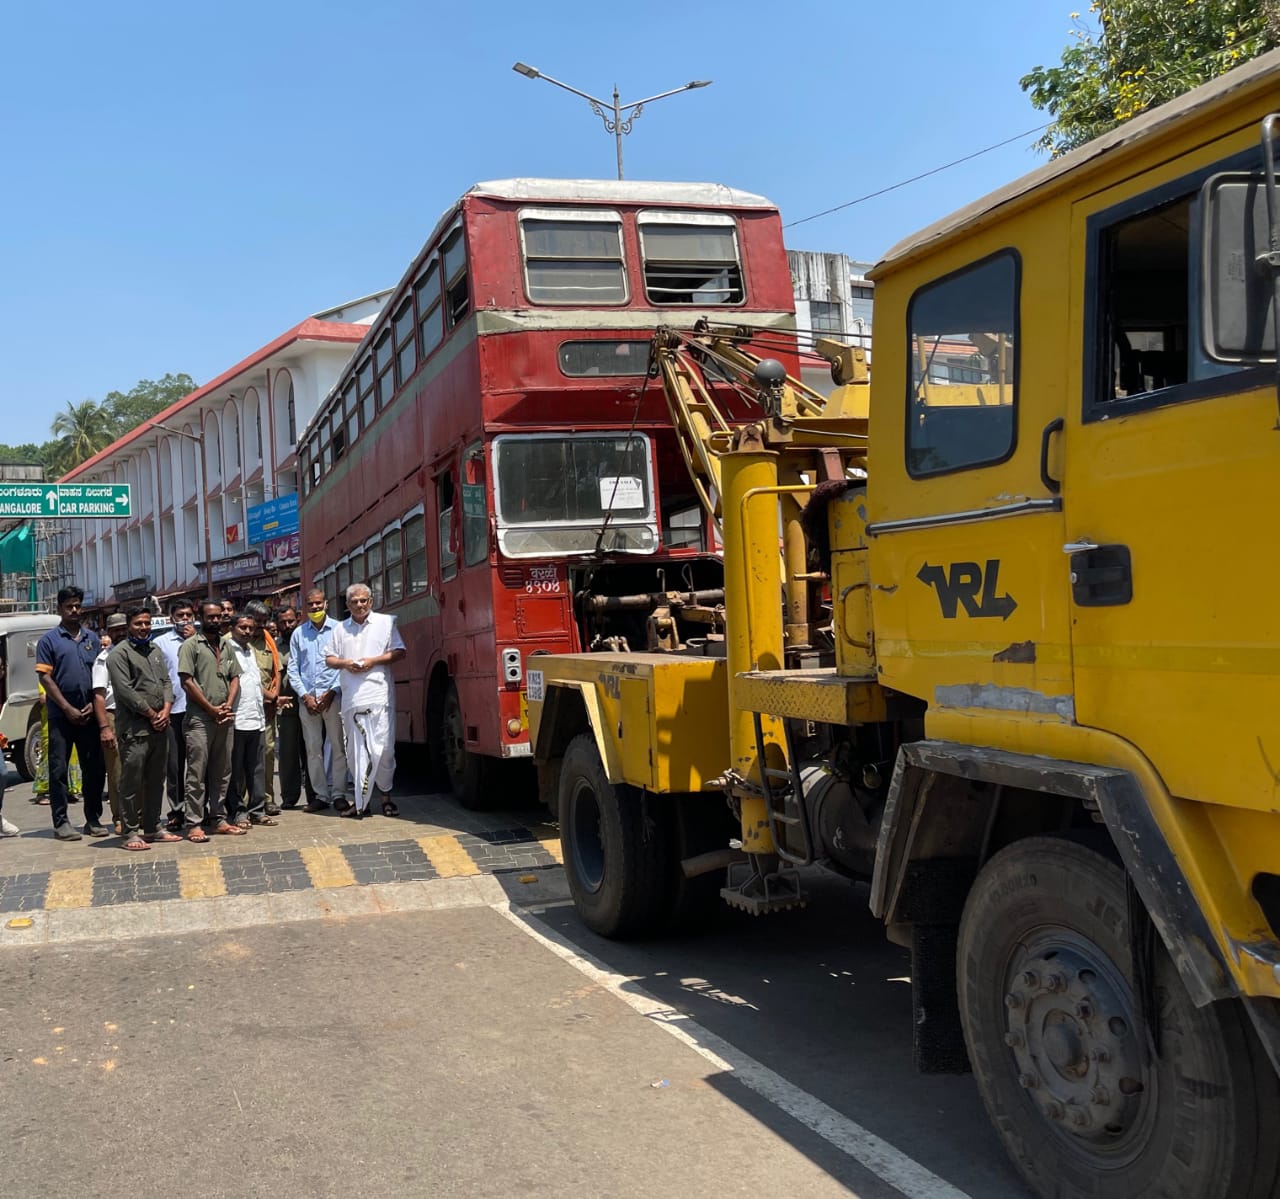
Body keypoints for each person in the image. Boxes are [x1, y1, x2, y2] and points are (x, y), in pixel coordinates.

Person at [326, 583, 406, 818]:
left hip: (379, 695)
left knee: (383, 749)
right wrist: (346, 664)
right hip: (352, 698)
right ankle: (361, 803)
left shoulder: (385, 623)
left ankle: (386, 798)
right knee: (356, 751)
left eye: (363, 600)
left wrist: (374, 661)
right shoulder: (340, 629)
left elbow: (400, 651)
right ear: (348, 605)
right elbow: (330, 658)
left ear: (370, 601)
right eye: (354, 602)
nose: (359, 605)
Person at [35, 586, 107, 841]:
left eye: (77, 605)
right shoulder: (49, 641)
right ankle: (61, 823)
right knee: (58, 770)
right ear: (60, 609)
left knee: (94, 770)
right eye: (69, 606)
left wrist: (91, 705)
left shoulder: (92, 639)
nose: (74, 610)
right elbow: (45, 677)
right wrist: (66, 708)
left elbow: (100, 675)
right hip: (60, 717)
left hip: (88, 715)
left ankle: (93, 819)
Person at [106, 607, 180, 851]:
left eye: (147, 623)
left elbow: (167, 681)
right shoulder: (119, 655)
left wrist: (166, 709)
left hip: (160, 726)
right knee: (131, 782)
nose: (144, 627)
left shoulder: (155, 650)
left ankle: (152, 827)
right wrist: (150, 713)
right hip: (135, 729)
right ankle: (129, 831)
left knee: (156, 779)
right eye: (138, 623)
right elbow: (125, 691)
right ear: (129, 625)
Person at [178, 601, 245, 841]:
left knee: (222, 770)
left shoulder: (226, 644)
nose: (216, 621)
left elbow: (235, 677)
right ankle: (194, 822)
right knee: (196, 772)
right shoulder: (191, 645)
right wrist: (210, 708)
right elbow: (187, 681)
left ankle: (218, 818)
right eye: (211, 617)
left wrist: (227, 703)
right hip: (200, 719)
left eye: (219, 617)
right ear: (200, 617)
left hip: (224, 717)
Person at [289, 588, 348, 813]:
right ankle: (321, 795)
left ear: (326, 604)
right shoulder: (299, 634)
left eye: (318, 604)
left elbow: (344, 664)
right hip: (308, 702)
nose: (314, 608)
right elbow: (294, 668)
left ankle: (340, 794)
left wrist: (333, 691)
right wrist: (305, 696)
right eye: (310, 605)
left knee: (338, 747)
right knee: (313, 749)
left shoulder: (339, 630)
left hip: (333, 698)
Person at [225, 612, 274, 828]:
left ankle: (257, 809)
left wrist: (272, 696)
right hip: (236, 719)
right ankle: (238, 812)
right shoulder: (226, 648)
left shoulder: (251, 650)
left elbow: (254, 683)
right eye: (242, 627)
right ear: (233, 628)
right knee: (235, 770)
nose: (247, 631)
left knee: (256, 768)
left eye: (250, 628)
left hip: (256, 717)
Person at [155, 600, 195, 831]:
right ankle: (177, 811)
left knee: (200, 764)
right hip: (174, 710)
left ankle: (200, 809)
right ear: (171, 618)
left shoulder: (200, 640)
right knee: (175, 765)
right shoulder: (160, 643)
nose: (184, 619)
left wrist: (193, 639)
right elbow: (160, 677)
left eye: (188, 615)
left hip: (199, 710)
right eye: (180, 615)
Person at [241, 600, 281, 816]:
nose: (261, 626)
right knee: (243, 756)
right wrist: (267, 695)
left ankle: (267, 799)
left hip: (266, 710)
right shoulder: (232, 641)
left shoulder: (268, 641)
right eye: (258, 621)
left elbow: (277, 669)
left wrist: (274, 698)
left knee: (266, 752)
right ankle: (244, 801)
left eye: (265, 622)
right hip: (242, 709)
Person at [274, 605, 315, 810]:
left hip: (310, 704)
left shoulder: (308, 639)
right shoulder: (274, 646)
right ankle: (289, 796)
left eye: (291, 621)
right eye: (283, 622)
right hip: (287, 705)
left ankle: (315, 794)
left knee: (312, 749)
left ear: (298, 618)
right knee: (288, 753)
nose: (287, 625)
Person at [91, 613, 128, 836]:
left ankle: (140, 815)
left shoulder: (139, 653)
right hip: (114, 715)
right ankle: (120, 816)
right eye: (116, 630)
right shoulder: (103, 660)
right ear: (109, 633)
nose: (121, 632)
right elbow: (99, 696)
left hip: (139, 715)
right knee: (117, 771)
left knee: (138, 769)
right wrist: (105, 727)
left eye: (125, 628)